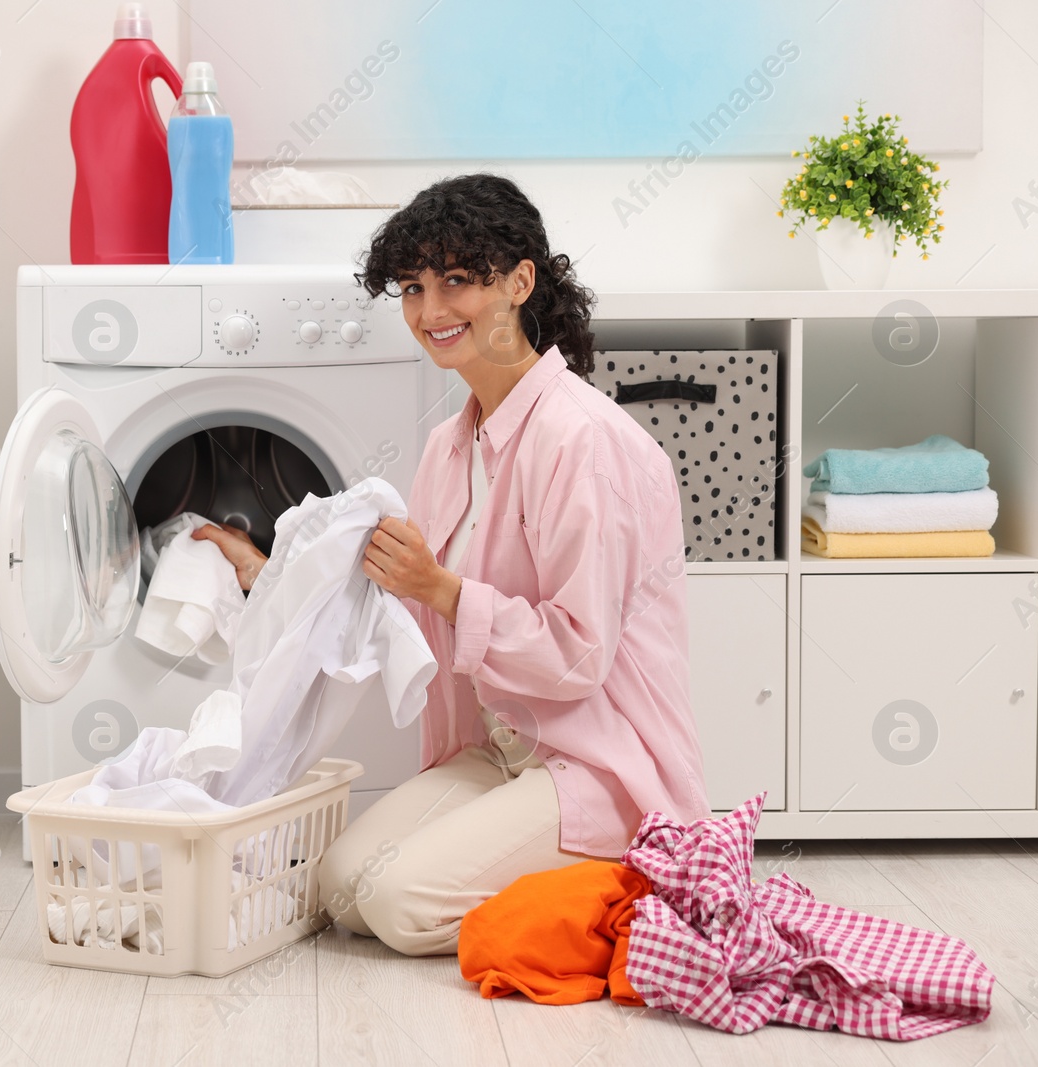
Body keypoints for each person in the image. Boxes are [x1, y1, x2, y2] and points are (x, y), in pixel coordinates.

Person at [192, 173, 709, 956]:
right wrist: (263, 573)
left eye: (457, 281)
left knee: (400, 906)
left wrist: (444, 587)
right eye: (412, 288)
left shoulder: (583, 442)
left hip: (598, 765)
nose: (431, 312)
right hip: (499, 753)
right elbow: (394, 614)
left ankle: (643, 882)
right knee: (341, 886)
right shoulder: (450, 444)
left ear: (520, 282)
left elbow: (578, 651)